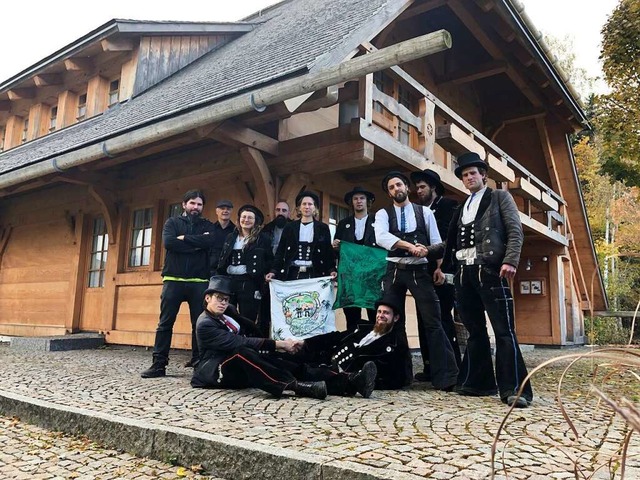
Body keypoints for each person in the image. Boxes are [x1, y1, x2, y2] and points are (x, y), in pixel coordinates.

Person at [191, 276, 377, 399]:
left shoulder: (228, 312)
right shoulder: (205, 323)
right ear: (208, 298)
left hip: (243, 363)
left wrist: (276, 349)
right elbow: (239, 342)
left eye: (225, 299)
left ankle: (350, 381)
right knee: (242, 353)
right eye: (218, 298)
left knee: (283, 361)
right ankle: (295, 386)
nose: (223, 302)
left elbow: (251, 329)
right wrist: (278, 344)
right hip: (216, 370)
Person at [444, 152, 533, 408]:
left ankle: (515, 389)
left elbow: (515, 231)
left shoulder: (499, 197)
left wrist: (510, 260)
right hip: (464, 274)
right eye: (464, 175)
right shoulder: (462, 206)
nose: (469, 178)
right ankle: (478, 383)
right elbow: (450, 242)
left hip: (490, 270)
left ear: (483, 175)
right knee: (475, 331)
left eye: (473, 173)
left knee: (504, 331)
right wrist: (426, 251)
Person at [374, 171, 458, 391]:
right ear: (389, 192)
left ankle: (446, 377)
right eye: (391, 187)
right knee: (391, 322)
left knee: (433, 322)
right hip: (393, 270)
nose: (396, 190)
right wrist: (409, 247)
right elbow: (381, 237)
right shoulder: (383, 214)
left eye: (399, 185)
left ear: (407, 187)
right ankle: (398, 376)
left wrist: (439, 267)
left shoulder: (425, 213)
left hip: (420, 271)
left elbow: (437, 243)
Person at [141, 189, 217, 378]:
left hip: (199, 281)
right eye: (192, 203)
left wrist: (186, 240)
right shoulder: (172, 222)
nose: (196, 207)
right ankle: (159, 364)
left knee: (199, 324)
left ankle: (200, 364)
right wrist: (196, 245)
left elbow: (210, 242)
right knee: (165, 324)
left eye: (199, 204)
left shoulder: (207, 225)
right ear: (184, 205)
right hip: (173, 280)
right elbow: (169, 243)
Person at [285, 296, 410, 390]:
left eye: (386, 313)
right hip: (324, 359)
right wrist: (305, 342)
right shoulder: (362, 327)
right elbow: (335, 337)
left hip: (340, 377)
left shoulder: (395, 345)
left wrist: (368, 382)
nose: (381, 316)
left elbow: (397, 379)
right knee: (287, 358)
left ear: (396, 318)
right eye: (379, 312)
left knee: (299, 372)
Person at [410, 169, 462, 381]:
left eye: (422, 187)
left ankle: (453, 367)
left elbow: (450, 240)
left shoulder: (448, 206)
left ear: (433, 187)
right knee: (423, 318)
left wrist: (444, 268)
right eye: (417, 188)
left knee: (442, 318)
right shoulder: (417, 211)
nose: (419, 191)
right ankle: (430, 366)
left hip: (443, 269)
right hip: (421, 271)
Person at [217, 205, 272, 332]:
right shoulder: (231, 237)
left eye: (250, 218)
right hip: (230, 281)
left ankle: (247, 347)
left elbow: (269, 259)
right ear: (239, 219)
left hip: (250, 282)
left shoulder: (262, 238)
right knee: (228, 314)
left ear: (255, 221)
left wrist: (264, 272)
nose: (246, 220)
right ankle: (230, 346)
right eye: (243, 217)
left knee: (247, 317)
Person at [332, 186, 378, 330]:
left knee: (374, 314)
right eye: (355, 199)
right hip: (350, 278)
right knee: (351, 317)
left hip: (372, 277)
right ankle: (353, 346)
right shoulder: (343, 224)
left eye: (362, 198)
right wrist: (335, 246)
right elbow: (336, 252)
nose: (359, 201)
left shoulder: (378, 222)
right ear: (351, 202)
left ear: (367, 202)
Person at [266, 191, 337, 281]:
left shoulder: (323, 228)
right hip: (292, 275)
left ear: (315, 208)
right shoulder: (290, 227)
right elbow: (280, 251)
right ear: (299, 208)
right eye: (304, 204)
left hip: (315, 275)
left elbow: (328, 252)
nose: (307, 207)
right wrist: (273, 271)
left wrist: (332, 269)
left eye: (310, 204)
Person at [209, 199, 235, 275]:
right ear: (216, 211)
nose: (225, 211)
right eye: (222, 208)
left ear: (231, 211)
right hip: (210, 270)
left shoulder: (236, 231)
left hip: (229, 272)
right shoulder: (210, 229)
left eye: (228, 209)